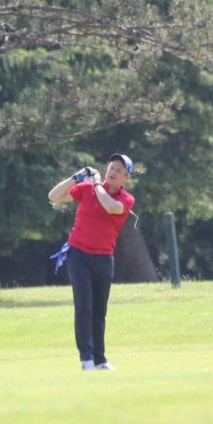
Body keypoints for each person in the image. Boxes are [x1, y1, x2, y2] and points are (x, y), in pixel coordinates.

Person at [48, 153, 135, 371]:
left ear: (126, 178)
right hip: (78, 255)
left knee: (99, 309)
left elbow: (110, 207)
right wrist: (75, 178)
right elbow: (54, 196)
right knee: (84, 306)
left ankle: (99, 359)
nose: (113, 172)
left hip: (104, 257)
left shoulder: (126, 199)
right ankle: (86, 359)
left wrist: (95, 184)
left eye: (119, 171)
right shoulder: (86, 189)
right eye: (112, 167)